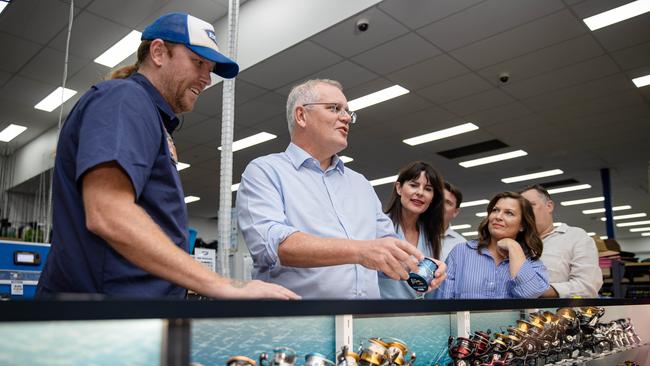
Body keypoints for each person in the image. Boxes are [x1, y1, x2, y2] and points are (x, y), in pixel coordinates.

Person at [36, 13, 298, 300]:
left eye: (209, 68)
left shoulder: (150, 117)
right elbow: (108, 213)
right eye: (198, 63)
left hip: (132, 313)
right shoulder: (124, 99)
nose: (206, 79)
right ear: (158, 52)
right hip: (103, 320)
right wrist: (222, 284)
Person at [236, 79, 446, 299]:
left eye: (348, 112)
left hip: (363, 327)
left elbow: (386, 254)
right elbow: (271, 246)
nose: (346, 117)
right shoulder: (265, 171)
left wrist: (422, 265)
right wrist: (361, 251)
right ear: (301, 116)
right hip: (297, 326)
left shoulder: (361, 185)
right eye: (334, 108)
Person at [437, 192, 549, 299]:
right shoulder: (461, 252)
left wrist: (514, 247)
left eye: (509, 213)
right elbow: (443, 304)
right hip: (464, 320)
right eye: (495, 210)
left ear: (522, 225)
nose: (498, 216)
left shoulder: (531, 262)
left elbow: (529, 294)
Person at [378, 161, 446, 299]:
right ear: (399, 188)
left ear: (433, 198)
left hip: (418, 316)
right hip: (381, 315)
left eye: (428, 189)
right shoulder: (379, 226)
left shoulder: (431, 234)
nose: (420, 192)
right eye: (414, 185)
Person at [520, 185, 602, 297]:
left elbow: (587, 287)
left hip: (561, 312)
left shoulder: (575, 236)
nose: (526, 213)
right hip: (518, 313)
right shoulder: (516, 244)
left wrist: (538, 290)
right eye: (522, 210)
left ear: (549, 206)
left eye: (531, 206)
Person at [440, 182, 466, 262]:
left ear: (455, 212)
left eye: (448, 203)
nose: (440, 205)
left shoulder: (461, 245)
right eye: (438, 199)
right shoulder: (410, 233)